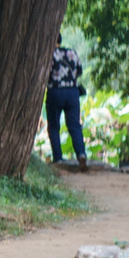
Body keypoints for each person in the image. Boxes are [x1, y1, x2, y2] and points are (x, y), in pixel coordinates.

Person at [46, 42, 88, 170]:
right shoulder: (72, 53)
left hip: (55, 91)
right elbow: (79, 71)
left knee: (54, 126)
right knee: (75, 126)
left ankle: (58, 158)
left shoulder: (48, 55)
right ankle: (81, 154)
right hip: (72, 93)